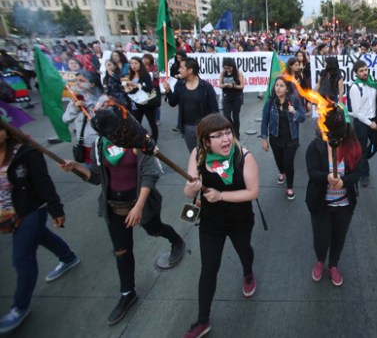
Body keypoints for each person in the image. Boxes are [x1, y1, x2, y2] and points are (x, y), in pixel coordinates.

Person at [59, 117, 186, 326]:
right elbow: (97, 177)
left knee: (155, 229)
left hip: (142, 203)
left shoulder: (138, 142)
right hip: (114, 207)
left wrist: (138, 206)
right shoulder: (100, 145)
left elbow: (149, 174)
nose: (109, 136)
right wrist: (76, 167)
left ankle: (176, 241)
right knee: (122, 251)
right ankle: (128, 293)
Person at [182, 113, 259, 338]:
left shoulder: (244, 157)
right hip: (210, 222)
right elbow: (187, 191)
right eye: (217, 135)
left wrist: (221, 195)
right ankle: (202, 320)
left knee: (244, 251)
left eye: (228, 133)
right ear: (206, 141)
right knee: (208, 269)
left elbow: (253, 192)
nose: (225, 139)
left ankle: (248, 272)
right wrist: (193, 186)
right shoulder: (198, 155)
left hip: (240, 220)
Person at [0, 128, 80, 334]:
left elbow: (43, 182)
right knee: (41, 236)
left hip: (31, 211)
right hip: (7, 215)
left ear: (7, 132)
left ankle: (19, 307)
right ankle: (68, 256)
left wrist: (56, 209)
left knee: (22, 259)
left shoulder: (27, 153)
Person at [305, 111, 362, 287]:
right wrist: (327, 178)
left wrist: (343, 181)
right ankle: (320, 260)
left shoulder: (353, 147)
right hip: (321, 204)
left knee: (339, 237)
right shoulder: (315, 147)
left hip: (344, 204)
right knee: (321, 238)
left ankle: (334, 265)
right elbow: (312, 172)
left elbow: (357, 173)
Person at [260, 76, 306, 200]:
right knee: (279, 161)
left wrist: (294, 113)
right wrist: (264, 138)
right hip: (275, 139)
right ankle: (281, 172)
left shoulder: (294, 101)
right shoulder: (270, 102)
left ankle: (289, 187)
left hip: (291, 140)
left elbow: (303, 118)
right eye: (276, 85)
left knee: (288, 163)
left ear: (287, 89)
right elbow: (265, 120)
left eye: (281, 86)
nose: (278, 88)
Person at [163, 58, 219, 153]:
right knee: (194, 153)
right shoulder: (180, 85)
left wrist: (214, 129)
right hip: (186, 128)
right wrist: (168, 91)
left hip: (203, 127)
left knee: (206, 153)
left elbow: (215, 110)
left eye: (181, 67)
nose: (179, 70)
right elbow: (173, 103)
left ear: (190, 70)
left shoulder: (206, 87)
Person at [349, 60, 377, 188]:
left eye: (366, 69)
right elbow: (357, 112)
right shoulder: (355, 88)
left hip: (374, 119)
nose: (364, 72)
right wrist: (369, 123)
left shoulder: (373, 83)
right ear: (356, 73)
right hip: (362, 122)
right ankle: (364, 174)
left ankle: (361, 161)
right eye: (361, 71)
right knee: (362, 150)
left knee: (375, 144)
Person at [62, 70, 102, 164]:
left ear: (92, 84)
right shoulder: (76, 99)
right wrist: (75, 109)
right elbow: (66, 119)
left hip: (100, 144)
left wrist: (89, 108)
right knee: (89, 174)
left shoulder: (102, 99)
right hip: (84, 145)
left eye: (81, 80)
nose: (77, 83)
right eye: (76, 80)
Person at [124, 57, 159, 142]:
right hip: (135, 104)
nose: (133, 65)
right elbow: (131, 90)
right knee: (136, 123)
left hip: (146, 103)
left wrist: (137, 85)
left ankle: (154, 140)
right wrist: (127, 88)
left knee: (152, 123)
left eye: (136, 63)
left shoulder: (145, 75)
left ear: (140, 64)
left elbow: (149, 88)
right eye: (132, 63)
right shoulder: (130, 75)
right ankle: (138, 140)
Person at [219, 57, 245, 138]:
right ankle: (232, 129)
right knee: (226, 116)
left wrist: (233, 86)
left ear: (232, 66)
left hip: (236, 97)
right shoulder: (223, 73)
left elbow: (242, 86)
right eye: (225, 68)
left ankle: (237, 134)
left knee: (235, 116)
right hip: (226, 97)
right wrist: (225, 85)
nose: (228, 70)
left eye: (229, 68)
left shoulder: (238, 73)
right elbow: (220, 85)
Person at [142, 54, 161, 126]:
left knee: (156, 104)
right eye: (144, 59)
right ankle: (152, 118)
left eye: (147, 59)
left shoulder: (155, 67)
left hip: (154, 87)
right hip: (146, 88)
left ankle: (157, 118)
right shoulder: (142, 67)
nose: (145, 60)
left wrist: (149, 74)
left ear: (150, 59)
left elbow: (157, 76)